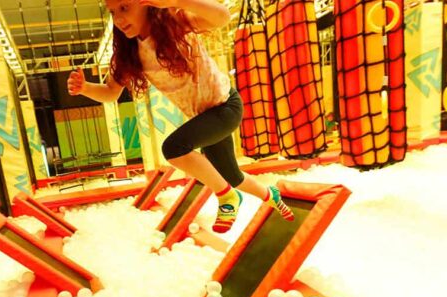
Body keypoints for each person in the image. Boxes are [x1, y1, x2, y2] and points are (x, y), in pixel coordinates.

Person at [67, 0, 294, 232]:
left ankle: (227, 197)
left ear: (146, 3)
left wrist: (177, 1)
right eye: (113, 12)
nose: (119, 19)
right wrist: (85, 88)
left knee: (174, 148)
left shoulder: (175, 21)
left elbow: (222, 17)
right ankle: (271, 195)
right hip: (204, 116)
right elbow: (110, 93)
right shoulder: (129, 53)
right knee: (231, 175)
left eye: (125, 8)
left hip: (226, 106)